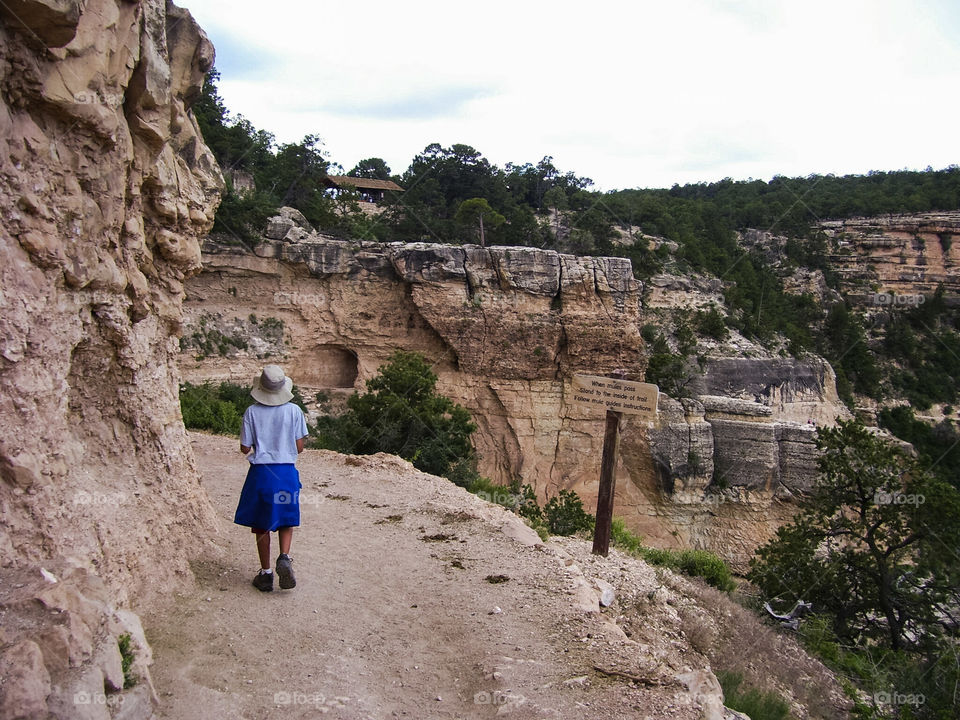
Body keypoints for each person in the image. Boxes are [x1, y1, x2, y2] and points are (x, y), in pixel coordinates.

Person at [234, 365, 308, 592]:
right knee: (286, 519)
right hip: (285, 472)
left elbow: (245, 448)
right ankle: (284, 557)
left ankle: (265, 574)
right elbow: (299, 446)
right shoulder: (294, 411)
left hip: (262, 474)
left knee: (261, 524)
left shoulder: (251, 412)